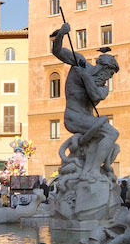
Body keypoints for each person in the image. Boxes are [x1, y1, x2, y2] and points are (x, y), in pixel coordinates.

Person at [50, 21, 120, 177]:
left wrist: (85, 77)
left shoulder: (102, 88)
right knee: (111, 134)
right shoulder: (80, 62)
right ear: (104, 67)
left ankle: (101, 167)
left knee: (115, 146)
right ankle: (93, 171)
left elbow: (95, 95)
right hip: (74, 116)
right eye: (109, 73)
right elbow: (57, 51)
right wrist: (61, 33)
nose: (108, 78)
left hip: (88, 120)